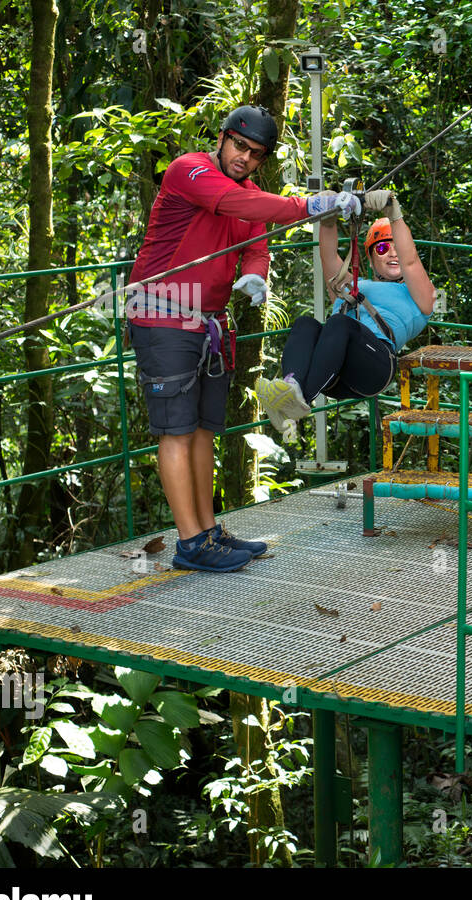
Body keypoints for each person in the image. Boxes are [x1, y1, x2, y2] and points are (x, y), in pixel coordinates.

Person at [127, 105, 361, 572]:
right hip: (162, 313)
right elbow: (242, 207)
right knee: (175, 430)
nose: (245, 159)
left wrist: (255, 276)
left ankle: (208, 531)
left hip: (208, 321)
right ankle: (190, 543)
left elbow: (256, 243)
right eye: (239, 146)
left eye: (256, 155)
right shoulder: (188, 170)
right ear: (222, 138)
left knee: (202, 429)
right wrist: (311, 205)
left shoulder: (250, 191)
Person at [254, 190, 435, 442]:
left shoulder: (420, 295)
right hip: (335, 371)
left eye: (397, 247)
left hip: (375, 365)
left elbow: (411, 262)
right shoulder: (353, 286)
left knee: (340, 323)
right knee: (305, 324)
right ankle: (291, 388)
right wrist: (327, 217)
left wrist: (394, 213)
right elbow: (328, 257)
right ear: (370, 259)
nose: (393, 253)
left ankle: (297, 401)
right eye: (382, 247)